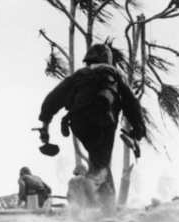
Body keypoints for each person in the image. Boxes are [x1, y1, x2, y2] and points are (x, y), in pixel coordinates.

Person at [37, 43, 145, 211]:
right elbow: (132, 104)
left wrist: (45, 126)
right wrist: (138, 131)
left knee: (99, 162)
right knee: (101, 166)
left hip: (78, 123)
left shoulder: (79, 75)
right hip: (103, 121)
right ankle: (89, 190)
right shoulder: (114, 74)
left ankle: (102, 207)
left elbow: (52, 99)